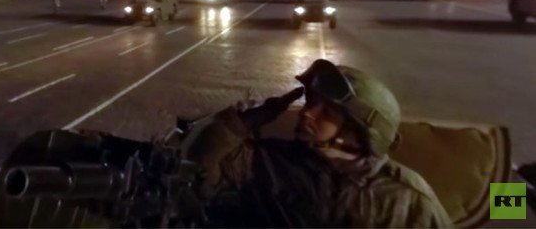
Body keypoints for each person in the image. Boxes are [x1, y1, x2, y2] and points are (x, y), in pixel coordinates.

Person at [189, 59, 452, 228]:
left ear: (357, 128)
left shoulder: (403, 195)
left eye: (327, 112)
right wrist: (238, 124)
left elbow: (495, 204)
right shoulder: (270, 161)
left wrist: (497, 206)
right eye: (311, 103)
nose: (307, 113)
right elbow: (202, 178)